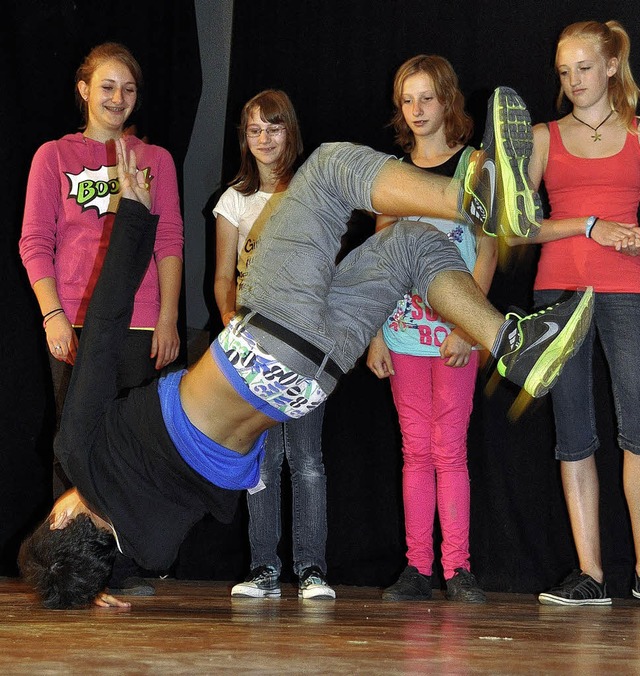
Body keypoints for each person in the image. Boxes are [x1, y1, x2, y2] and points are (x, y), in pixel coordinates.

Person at [19, 88, 593, 610]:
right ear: (61, 513)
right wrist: (135, 216)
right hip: (265, 338)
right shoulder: (82, 455)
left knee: (411, 244)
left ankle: (512, 344)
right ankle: (477, 198)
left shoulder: (152, 545)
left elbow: (116, 543)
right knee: (327, 169)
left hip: (309, 382)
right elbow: (102, 330)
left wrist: (88, 587)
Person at [18, 42, 183, 595]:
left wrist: (167, 317)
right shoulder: (54, 156)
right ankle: (73, 567)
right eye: (108, 86)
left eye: (129, 89)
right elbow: (34, 242)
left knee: (133, 448)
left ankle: (126, 565)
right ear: (84, 90)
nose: (118, 98)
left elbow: (170, 242)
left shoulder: (154, 159)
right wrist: (52, 314)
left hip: (138, 324)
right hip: (73, 321)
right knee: (74, 446)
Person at [507, 21, 640, 607]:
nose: (573, 80)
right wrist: (587, 225)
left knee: (638, 431)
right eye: (564, 71)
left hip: (627, 291)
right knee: (574, 435)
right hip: (558, 294)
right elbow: (516, 226)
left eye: (584, 68)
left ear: (611, 66)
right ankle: (591, 576)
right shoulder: (542, 136)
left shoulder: (639, 133)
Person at [367, 55, 495, 603]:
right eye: (407, 100)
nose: (417, 110)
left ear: (447, 100)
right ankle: (418, 568)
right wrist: (374, 332)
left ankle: (458, 567)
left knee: (451, 450)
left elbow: (489, 250)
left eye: (426, 98)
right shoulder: (394, 174)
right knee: (415, 450)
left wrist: (470, 324)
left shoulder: (475, 167)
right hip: (402, 333)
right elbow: (376, 260)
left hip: (455, 335)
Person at [213, 90, 333, 599]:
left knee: (306, 460)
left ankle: (311, 570)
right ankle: (264, 567)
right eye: (254, 130)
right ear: (245, 137)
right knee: (260, 460)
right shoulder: (234, 200)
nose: (264, 139)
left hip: (303, 344)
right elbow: (222, 278)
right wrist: (230, 327)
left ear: (291, 132)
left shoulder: (311, 192)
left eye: (274, 128)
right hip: (251, 348)